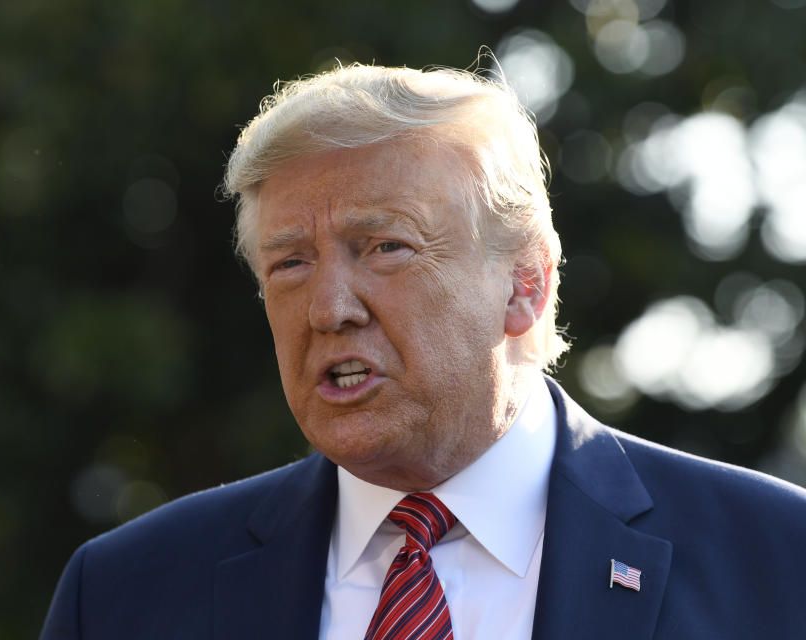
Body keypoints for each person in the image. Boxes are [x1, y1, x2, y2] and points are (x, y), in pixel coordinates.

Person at [40, 62, 806, 639]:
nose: (330, 309)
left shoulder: (777, 561)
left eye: (386, 247)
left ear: (526, 285)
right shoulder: (122, 595)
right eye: (290, 264)